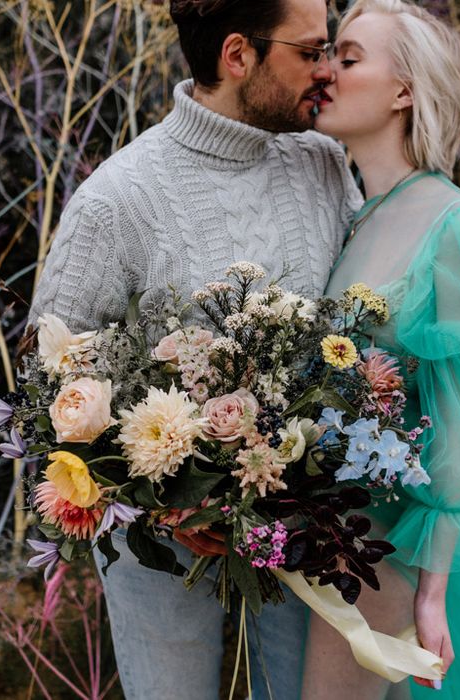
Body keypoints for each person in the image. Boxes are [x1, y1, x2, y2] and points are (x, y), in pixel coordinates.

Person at [28, 1, 363, 697]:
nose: (327, 72)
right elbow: (49, 375)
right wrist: (161, 504)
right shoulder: (117, 197)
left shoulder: (325, 163)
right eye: (310, 53)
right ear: (238, 56)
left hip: (306, 519)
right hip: (165, 540)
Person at [312, 1, 460, 698]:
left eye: (348, 59)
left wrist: (430, 596)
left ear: (404, 90)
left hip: (398, 560)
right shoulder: (347, 222)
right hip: (326, 544)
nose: (326, 72)